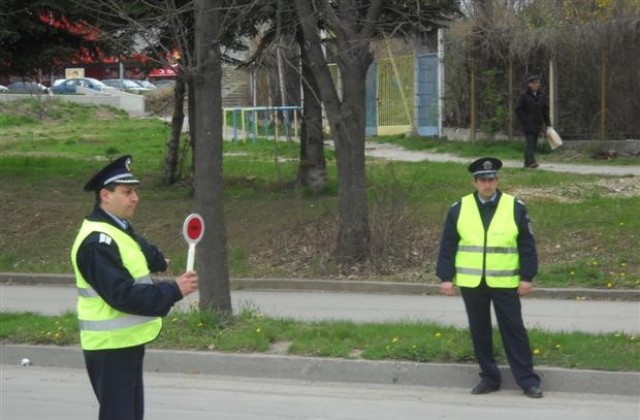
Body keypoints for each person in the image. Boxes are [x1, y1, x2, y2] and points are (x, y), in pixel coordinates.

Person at [70, 155, 199, 420]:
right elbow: (122, 295)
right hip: (109, 347)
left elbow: (137, 246)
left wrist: (158, 259)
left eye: (135, 191)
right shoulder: (97, 243)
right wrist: (173, 290)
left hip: (124, 344)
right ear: (105, 195)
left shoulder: (117, 227)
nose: (135, 198)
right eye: (127, 192)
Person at [436, 157, 543, 398]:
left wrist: (527, 276)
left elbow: (527, 244)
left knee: (514, 331)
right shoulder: (459, 207)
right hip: (472, 283)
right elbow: (448, 245)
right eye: (483, 180)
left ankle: (528, 381)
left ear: (498, 180)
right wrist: (445, 276)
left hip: (505, 282)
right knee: (480, 331)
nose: (487, 184)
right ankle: (489, 378)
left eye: (491, 179)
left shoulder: (515, 206)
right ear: (475, 182)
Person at [515, 75, 551, 169]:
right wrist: (525, 120)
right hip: (528, 124)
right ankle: (531, 162)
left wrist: (548, 124)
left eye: (538, 83)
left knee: (534, 143)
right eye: (534, 83)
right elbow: (518, 109)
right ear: (529, 84)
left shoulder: (541, 95)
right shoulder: (524, 95)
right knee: (530, 143)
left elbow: (545, 110)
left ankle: (527, 163)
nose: (537, 85)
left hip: (537, 123)